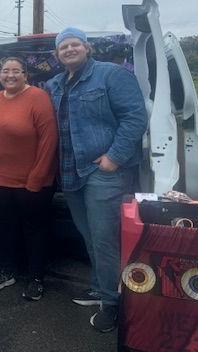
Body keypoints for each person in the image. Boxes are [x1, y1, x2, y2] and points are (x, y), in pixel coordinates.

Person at [45, 27, 147, 332]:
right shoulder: (55, 84)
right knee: (90, 236)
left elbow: (135, 117)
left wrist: (113, 158)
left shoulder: (112, 76)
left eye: (75, 44)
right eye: (64, 46)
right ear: (57, 54)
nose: (70, 49)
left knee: (105, 240)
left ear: (87, 48)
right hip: (70, 173)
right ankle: (100, 286)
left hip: (104, 173)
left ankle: (113, 303)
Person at [0, 57, 58, 301]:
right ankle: (7, 271)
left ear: (25, 74)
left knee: (34, 230)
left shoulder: (38, 97)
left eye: (16, 71)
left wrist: (37, 177)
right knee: (7, 226)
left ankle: (35, 278)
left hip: (32, 180)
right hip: (0, 178)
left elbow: (49, 140)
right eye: (5, 71)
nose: (10, 75)